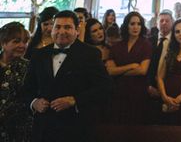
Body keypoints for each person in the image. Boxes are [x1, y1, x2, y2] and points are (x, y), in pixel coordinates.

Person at [22, 10, 111, 142]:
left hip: (76, 127)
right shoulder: (39, 55)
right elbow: (27, 88)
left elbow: (106, 88)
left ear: (77, 30)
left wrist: (74, 100)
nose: (61, 31)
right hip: (43, 129)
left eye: (67, 27)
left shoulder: (90, 54)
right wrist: (34, 102)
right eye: (57, 27)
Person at [106, 11, 152, 124]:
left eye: (139, 24)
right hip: (118, 91)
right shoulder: (117, 46)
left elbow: (142, 70)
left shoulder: (146, 44)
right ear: (126, 25)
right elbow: (110, 71)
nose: (136, 27)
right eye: (132, 24)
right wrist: (131, 66)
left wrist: (119, 71)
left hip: (138, 92)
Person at [0, 22, 32, 142]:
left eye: (25, 42)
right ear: (3, 43)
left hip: (19, 129)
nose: (22, 45)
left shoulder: (29, 67)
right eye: (16, 41)